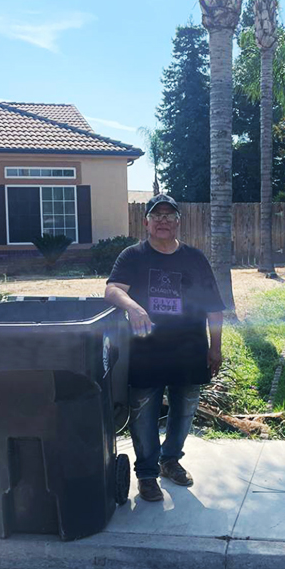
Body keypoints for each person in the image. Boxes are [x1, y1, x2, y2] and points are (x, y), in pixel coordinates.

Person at [104, 194, 225, 502]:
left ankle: (170, 459)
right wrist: (134, 307)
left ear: (178, 223)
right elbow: (113, 289)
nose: (162, 221)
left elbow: (214, 307)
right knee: (144, 413)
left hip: (190, 349)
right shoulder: (133, 256)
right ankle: (146, 475)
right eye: (156, 216)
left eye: (169, 217)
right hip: (146, 352)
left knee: (184, 411)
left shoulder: (195, 258)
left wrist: (216, 348)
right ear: (146, 222)